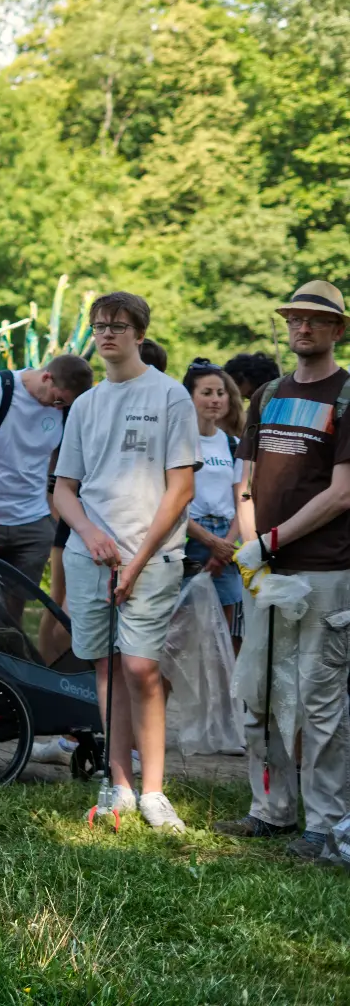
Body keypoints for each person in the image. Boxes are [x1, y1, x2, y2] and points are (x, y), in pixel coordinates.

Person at [52, 291, 197, 834]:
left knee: (140, 666)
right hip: (91, 555)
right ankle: (118, 785)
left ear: (139, 333)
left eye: (117, 325)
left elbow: (180, 489)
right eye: (99, 326)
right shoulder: (85, 403)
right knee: (106, 668)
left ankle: (155, 791)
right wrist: (88, 534)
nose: (106, 333)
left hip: (151, 554)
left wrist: (135, 562)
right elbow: (64, 490)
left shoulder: (169, 396)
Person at [215, 281, 350, 860]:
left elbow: (342, 494)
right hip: (263, 573)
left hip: (325, 571)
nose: (303, 327)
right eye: (295, 318)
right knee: (260, 693)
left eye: (316, 320)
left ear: (337, 330)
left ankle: (324, 824)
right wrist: (252, 556)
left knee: (320, 701)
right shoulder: (269, 393)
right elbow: (242, 482)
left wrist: (270, 542)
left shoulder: (347, 396)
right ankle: (270, 810)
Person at [0, 352, 93, 624]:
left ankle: (8, 660)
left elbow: (59, 463)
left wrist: (51, 513)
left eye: (66, 404)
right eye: (58, 399)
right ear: (46, 377)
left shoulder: (66, 409)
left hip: (33, 522)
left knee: (12, 614)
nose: (59, 407)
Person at [179, 361, 245, 637]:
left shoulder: (232, 444)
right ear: (189, 397)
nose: (215, 400)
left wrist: (225, 546)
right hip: (187, 538)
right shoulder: (177, 441)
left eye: (220, 393)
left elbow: (243, 500)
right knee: (182, 632)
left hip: (227, 542)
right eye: (206, 393)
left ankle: (222, 683)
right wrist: (209, 542)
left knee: (225, 633)